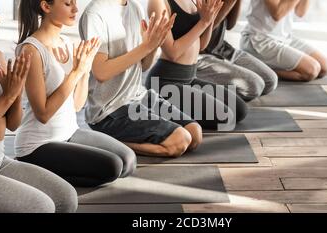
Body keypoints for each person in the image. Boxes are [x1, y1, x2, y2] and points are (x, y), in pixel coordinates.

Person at [0, 0, 77, 213]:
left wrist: (16, 91)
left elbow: (13, 124)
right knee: (41, 206)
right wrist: (7, 96)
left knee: (66, 198)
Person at [15, 0, 137, 187]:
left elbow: (77, 105)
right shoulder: (31, 50)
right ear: (46, 7)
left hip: (70, 132)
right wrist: (76, 72)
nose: (75, 9)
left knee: (128, 161)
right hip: (38, 144)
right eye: (67, 3)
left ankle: (55, 170)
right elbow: (44, 114)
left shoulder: (68, 43)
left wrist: (85, 69)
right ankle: (35, 171)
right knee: (112, 166)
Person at [79, 0, 203, 158]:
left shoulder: (134, 7)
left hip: (138, 96)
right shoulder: (94, 14)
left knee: (194, 134)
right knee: (180, 141)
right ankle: (105, 142)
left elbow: (143, 66)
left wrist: (153, 45)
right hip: (110, 111)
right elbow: (101, 72)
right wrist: (146, 47)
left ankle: (112, 140)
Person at [146, 0, 248, 131]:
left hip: (189, 79)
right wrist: (203, 22)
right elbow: (172, 52)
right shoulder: (158, 3)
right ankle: (157, 105)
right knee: (225, 117)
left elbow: (202, 45)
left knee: (240, 110)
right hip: (165, 83)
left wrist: (210, 18)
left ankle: (173, 109)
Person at [197, 0, 278, 101]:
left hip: (221, 48)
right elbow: (201, 36)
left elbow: (230, 25)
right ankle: (193, 86)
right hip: (199, 53)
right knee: (254, 87)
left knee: (270, 81)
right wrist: (228, 3)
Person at [240, 0, 327, 81]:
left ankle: (263, 66)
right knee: (311, 71)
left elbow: (300, 12)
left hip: (284, 37)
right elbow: (278, 13)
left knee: (324, 68)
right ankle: (259, 70)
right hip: (259, 40)